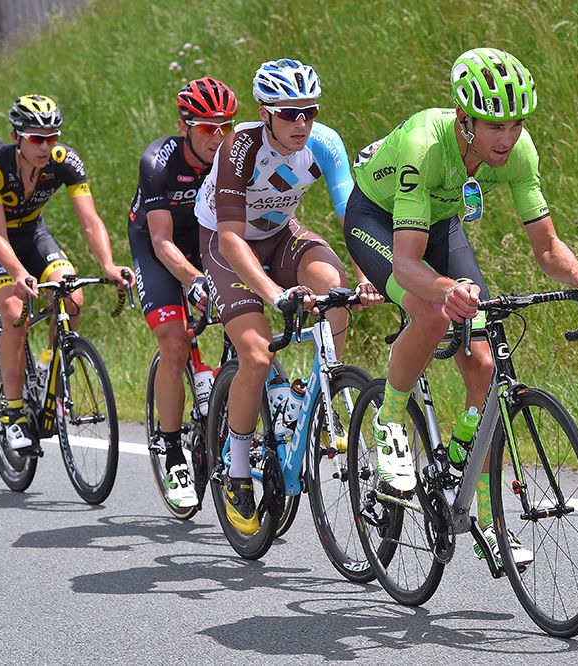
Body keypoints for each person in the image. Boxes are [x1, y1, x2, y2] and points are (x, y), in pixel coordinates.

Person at [344, 48, 578, 565]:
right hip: (378, 218)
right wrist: (445, 289)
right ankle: (391, 423)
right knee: (432, 311)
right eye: (493, 126)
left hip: (440, 221)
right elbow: (405, 264)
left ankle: (486, 514)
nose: (506, 139)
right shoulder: (426, 144)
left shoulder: (519, 153)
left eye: (514, 124)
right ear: (464, 120)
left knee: (485, 365)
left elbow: (547, 248)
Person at [194, 58, 381, 535]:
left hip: (280, 235)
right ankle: (237, 472)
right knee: (256, 356)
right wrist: (274, 293)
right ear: (265, 112)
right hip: (226, 243)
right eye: (289, 113)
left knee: (330, 280)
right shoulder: (239, 147)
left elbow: (350, 217)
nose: (302, 123)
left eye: (309, 112)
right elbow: (233, 239)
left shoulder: (325, 143)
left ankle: (326, 394)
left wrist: (366, 277)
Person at [0, 94, 134, 451]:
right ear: (16, 136)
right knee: (15, 313)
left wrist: (108, 264)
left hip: (33, 234)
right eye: (36, 138)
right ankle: (13, 415)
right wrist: (17, 272)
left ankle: (48, 370)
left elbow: (90, 222)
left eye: (52, 137)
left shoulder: (65, 161)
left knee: (72, 298)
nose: (46, 146)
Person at [128, 77, 238, 508]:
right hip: (159, 245)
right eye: (208, 128)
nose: (219, 136)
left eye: (224, 126)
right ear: (184, 126)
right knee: (175, 343)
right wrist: (193, 280)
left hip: (205, 241)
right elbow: (161, 243)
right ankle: (171, 449)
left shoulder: (233, 157)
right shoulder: (158, 162)